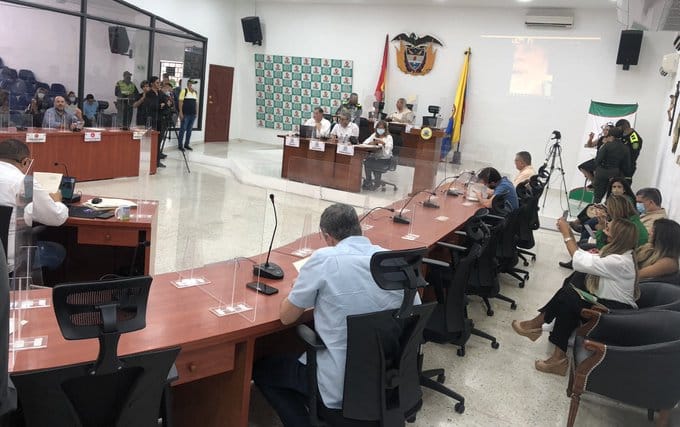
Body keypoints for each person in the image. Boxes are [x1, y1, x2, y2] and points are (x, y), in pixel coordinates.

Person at [252, 203, 417, 427]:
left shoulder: (325, 259)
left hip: (339, 389)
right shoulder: (393, 262)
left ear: (327, 236)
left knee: (263, 370)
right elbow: (414, 313)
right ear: (358, 228)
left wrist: (297, 288)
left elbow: (287, 317)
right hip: (388, 383)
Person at [513, 217, 639, 376]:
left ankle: (539, 327)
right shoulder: (620, 255)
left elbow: (578, 259)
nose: (604, 231)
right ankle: (553, 350)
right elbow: (582, 259)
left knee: (568, 296)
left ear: (618, 237)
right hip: (608, 304)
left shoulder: (619, 261)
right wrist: (571, 234)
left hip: (614, 314)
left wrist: (566, 233)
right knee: (572, 289)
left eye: (608, 229)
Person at [0, 138, 68, 273]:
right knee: (57, 251)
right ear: (25, 162)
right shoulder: (24, 182)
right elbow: (57, 217)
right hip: (8, 265)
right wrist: (57, 201)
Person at [569, 177, 635, 233]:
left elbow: (620, 213)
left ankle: (583, 228)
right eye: (614, 187)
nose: (616, 189)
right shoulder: (612, 196)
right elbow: (607, 206)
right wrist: (600, 207)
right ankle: (577, 222)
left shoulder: (627, 199)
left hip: (617, 220)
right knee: (591, 206)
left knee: (592, 221)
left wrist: (604, 211)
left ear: (624, 189)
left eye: (619, 187)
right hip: (608, 215)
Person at [133, 77, 171, 167]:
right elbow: (151, 106)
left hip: (159, 120)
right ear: (152, 84)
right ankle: (144, 160)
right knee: (147, 141)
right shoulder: (147, 94)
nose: (159, 84)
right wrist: (161, 105)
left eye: (159, 82)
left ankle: (156, 161)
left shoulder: (160, 93)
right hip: (147, 120)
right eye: (157, 82)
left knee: (158, 141)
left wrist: (165, 104)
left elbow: (168, 102)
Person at [592, 126, 631, 203]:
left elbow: (597, 160)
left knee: (597, 197)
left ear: (611, 136)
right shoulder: (625, 148)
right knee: (611, 196)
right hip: (614, 173)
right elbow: (627, 166)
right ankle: (610, 209)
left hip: (601, 172)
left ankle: (595, 209)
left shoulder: (606, 145)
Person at [362, 120, 393, 191]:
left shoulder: (389, 137)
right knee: (367, 162)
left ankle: (377, 183)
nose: (380, 130)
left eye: (382, 128)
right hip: (375, 157)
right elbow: (365, 143)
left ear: (385, 129)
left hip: (385, 159)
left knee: (374, 163)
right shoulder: (374, 135)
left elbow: (389, 148)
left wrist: (383, 143)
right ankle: (368, 181)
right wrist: (371, 143)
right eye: (378, 128)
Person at [615, 119, 643, 183]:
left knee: (624, 185)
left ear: (621, 127)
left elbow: (634, 152)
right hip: (619, 166)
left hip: (627, 167)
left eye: (618, 128)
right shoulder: (622, 135)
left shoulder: (634, 137)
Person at [177, 79, 199, 152]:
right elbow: (180, 102)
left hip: (193, 115)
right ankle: (180, 145)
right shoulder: (184, 91)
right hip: (185, 114)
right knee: (182, 130)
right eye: (193, 83)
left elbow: (196, 103)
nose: (193, 85)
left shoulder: (195, 92)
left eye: (194, 83)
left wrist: (196, 113)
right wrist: (180, 112)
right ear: (189, 84)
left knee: (189, 130)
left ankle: (186, 144)